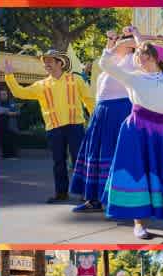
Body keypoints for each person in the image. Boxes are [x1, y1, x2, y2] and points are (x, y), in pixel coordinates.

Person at [97, 26, 163, 241]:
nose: (140, 58)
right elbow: (104, 64)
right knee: (139, 174)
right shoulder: (132, 77)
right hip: (137, 131)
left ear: (155, 57)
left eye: (144, 54)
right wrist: (115, 46)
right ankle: (139, 224)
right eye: (138, 55)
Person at [4, 51, 95, 203]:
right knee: (58, 162)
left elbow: (89, 100)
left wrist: (95, 119)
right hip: (54, 128)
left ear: (60, 63)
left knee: (79, 161)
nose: (46, 64)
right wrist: (9, 76)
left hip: (75, 126)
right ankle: (61, 193)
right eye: (44, 62)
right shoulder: (41, 85)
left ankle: (85, 193)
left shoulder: (75, 79)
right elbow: (19, 92)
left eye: (49, 61)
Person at [69, 32, 137, 213]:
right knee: (96, 154)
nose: (117, 43)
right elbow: (107, 53)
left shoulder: (134, 59)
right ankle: (94, 199)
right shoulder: (110, 61)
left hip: (120, 111)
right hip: (101, 111)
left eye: (123, 41)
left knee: (115, 155)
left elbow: (145, 45)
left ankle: (121, 200)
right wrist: (112, 42)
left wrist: (133, 35)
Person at [0, 88, 21, 159]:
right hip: (1, 126)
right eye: (2, 94)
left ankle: (13, 155)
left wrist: (9, 113)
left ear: (7, 95)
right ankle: (4, 155)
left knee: (12, 140)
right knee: (3, 140)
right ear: (0, 96)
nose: (3, 96)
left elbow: (18, 112)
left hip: (11, 125)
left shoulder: (12, 103)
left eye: (5, 94)